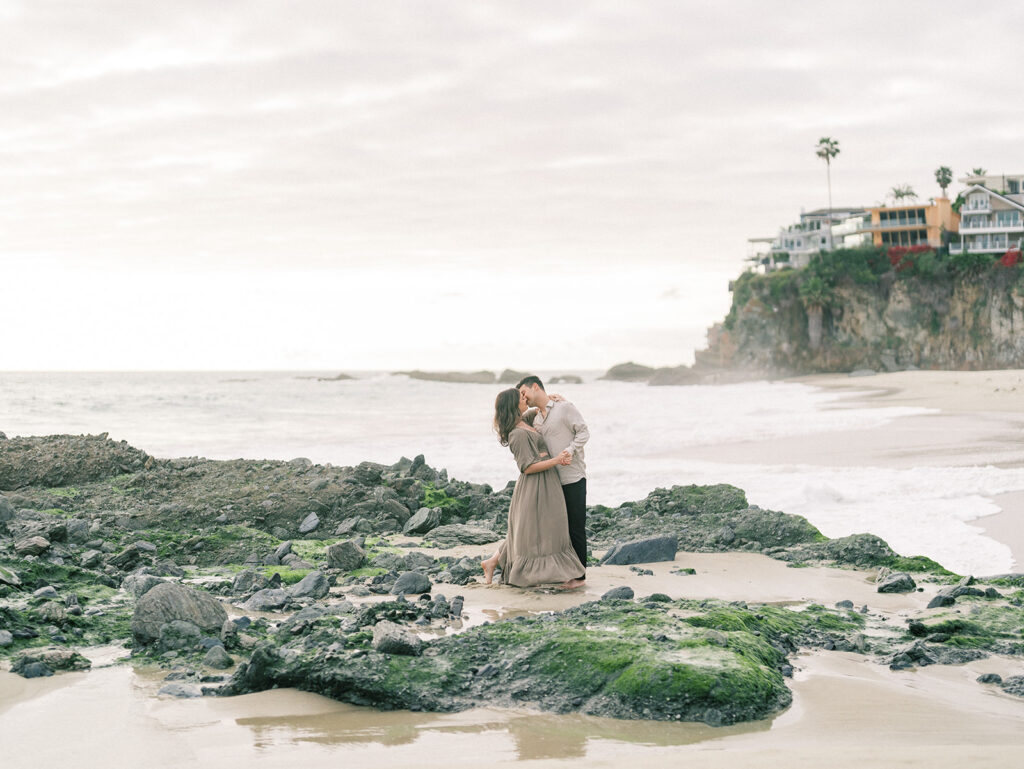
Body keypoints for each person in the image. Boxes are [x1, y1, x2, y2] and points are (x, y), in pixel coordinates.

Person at [480, 388, 586, 588]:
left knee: (533, 529)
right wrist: (557, 460)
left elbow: (542, 412)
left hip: (547, 482)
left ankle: (492, 561)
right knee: (531, 532)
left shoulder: (524, 421)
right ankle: (522, 571)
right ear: (514, 404)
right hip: (535, 485)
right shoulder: (517, 434)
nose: (525, 398)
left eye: (524, 395)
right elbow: (527, 468)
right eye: (521, 398)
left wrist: (550, 400)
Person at [516, 375, 589, 582]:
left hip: (573, 477)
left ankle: (580, 576)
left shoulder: (564, 408)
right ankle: (565, 572)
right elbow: (512, 419)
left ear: (536, 387)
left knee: (575, 528)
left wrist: (570, 450)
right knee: (557, 531)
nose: (523, 397)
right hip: (550, 484)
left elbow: (583, 432)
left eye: (524, 392)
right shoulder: (535, 418)